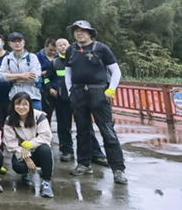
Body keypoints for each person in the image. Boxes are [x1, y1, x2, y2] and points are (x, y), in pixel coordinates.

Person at [65, 20, 127, 184]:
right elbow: (68, 73)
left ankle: (118, 170)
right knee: (82, 131)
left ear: (90, 33)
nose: (79, 33)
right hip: (78, 93)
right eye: (76, 31)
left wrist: (111, 89)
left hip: (99, 92)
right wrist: (70, 91)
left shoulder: (101, 48)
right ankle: (84, 164)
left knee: (107, 131)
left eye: (83, 30)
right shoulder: (71, 50)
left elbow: (115, 71)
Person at [49, 37, 104, 163]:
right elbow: (47, 78)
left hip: (80, 97)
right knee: (64, 126)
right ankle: (67, 151)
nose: (63, 47)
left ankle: (95, 153)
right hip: (62, 99)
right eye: (60, 45)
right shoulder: (55, 63)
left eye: (65, 44)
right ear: (56, 49)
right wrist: (50, 88)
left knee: (86, 126)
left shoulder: (78, 59)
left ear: (69, 46)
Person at [4, 92, 54, 198]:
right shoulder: (10, 119)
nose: (21, 107)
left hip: (37, 150)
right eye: (18, 104)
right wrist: (26, 157)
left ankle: (46, 182)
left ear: (30, 105)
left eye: (25, 104)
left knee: (45, 150)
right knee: (18, 166)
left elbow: (45, 136)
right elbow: (10, 143)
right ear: (13, 105)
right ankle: (25, 173)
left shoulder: (39, 116)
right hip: (20, 151)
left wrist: (29, 145)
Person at [0, 33, 42, 110]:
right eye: (14, 41)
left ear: (24, 42)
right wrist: (22, 76)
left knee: (36, 117)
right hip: (15, 96)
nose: (17, 43)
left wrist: (12, 77)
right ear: (9, 44)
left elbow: (35, 77)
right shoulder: (7, 59)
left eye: (19, 41)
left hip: (32, 96)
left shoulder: (32, 57)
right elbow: (1, 77)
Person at [37, 38, 57, 122]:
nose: (53, 52)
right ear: (45, 46)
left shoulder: (59, 56)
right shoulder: (37, 57)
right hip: (42, 88)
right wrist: (46, 73)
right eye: (50, 50)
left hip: (56, 87)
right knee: (45, 114)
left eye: (55, 50)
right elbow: (33, 72)